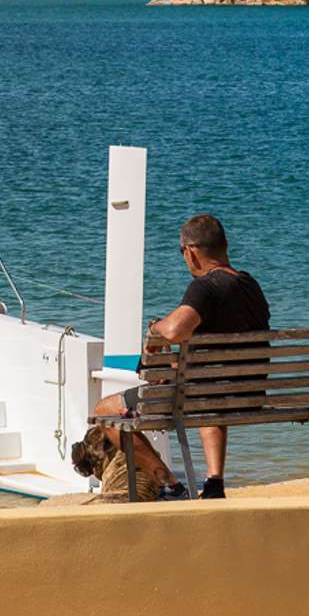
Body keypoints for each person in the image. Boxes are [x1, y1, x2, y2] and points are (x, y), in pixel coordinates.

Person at [91, 213, 270, 499]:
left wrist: (155, 328)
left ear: (192, 251)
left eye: (182, 252)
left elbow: (175, 330)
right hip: (248, 390)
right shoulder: (251, 285)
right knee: (207, 389)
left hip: (205, 393)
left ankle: (168, 482)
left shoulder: (205, 286)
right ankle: (214, 483)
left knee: (105, 410)